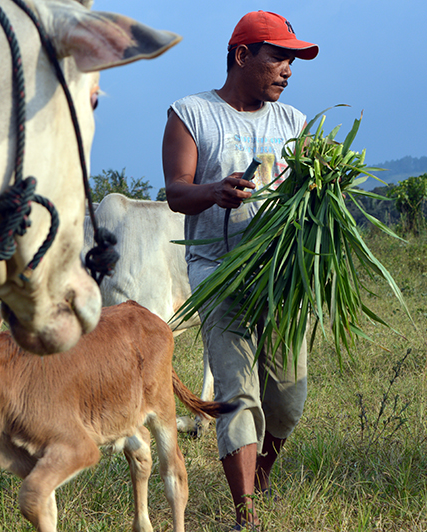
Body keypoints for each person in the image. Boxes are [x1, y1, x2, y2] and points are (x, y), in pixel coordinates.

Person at [162, 11, 319, 531]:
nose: (288, 70)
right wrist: (214, 191)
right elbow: (176, 192)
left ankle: (263, 471)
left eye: (292, 60)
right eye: (279, 57)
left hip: (277, 273)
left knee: (288, 398)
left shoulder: (293, 122)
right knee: (238, 392)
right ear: (242, 55)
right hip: (218, 269)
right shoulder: (191, 114)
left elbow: (304, 191)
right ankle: (245, 515)